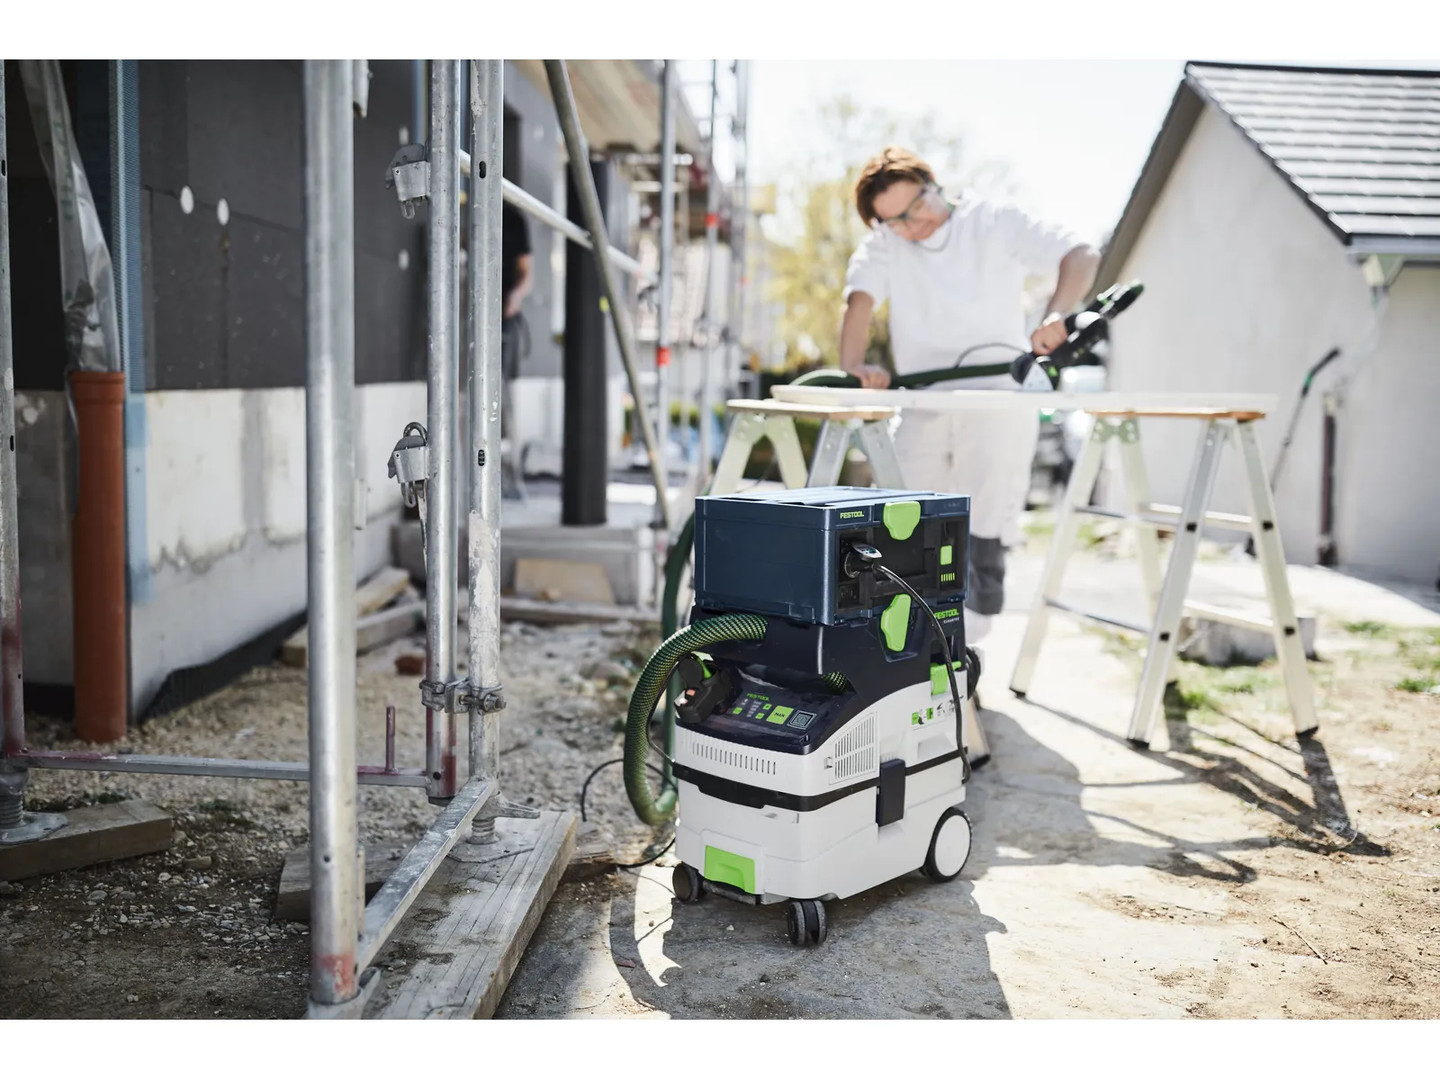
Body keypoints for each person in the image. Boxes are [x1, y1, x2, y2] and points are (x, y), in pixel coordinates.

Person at [839, 147, 1098, 641]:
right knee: (903, 516)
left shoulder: (992, 221)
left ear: (931, 184)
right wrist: (854, 366)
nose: (912, 225)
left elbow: (1081, 254)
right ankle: (902, 645)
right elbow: (859, 301)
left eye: (916, 208)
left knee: (984, 521)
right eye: (896, 221)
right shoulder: (887, 243)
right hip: (924, 399)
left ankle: (968, 645)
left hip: (996, 396)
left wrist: (1056, 313)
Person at [500, 202, 534, 499]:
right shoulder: (457, 202)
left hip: (501, 316)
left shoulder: (512, 219)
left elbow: (526, 272)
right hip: (461, 311)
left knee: (499, 396)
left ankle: (507, 475)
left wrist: (515, 297)